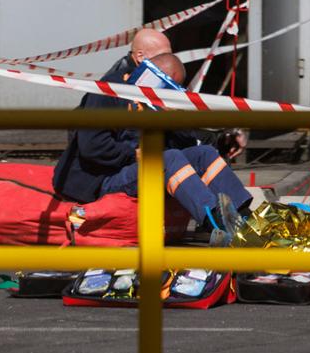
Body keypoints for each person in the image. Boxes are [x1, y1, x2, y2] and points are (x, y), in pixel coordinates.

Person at [51, 53, 250, 244]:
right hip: (101, 178)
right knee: (169, 159)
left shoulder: (151, 102)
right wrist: (134, 155)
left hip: (134, 170)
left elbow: (187, 144)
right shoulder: (108, 91)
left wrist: (176, 121)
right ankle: (218, 225)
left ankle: (248, 220)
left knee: (203, 154)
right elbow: (92, 146)